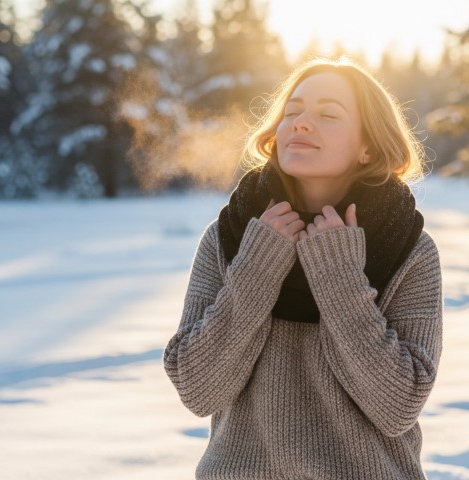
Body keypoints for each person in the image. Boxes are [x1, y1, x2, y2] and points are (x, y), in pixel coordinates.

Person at [163, 57, 443, 479]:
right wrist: (257, 266)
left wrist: (339, 274)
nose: (301, 123)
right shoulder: (231, 237)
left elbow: (397, 406)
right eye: (291, 112)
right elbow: (198, 390)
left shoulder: (407, 249)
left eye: (328, 114)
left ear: (369, 145)